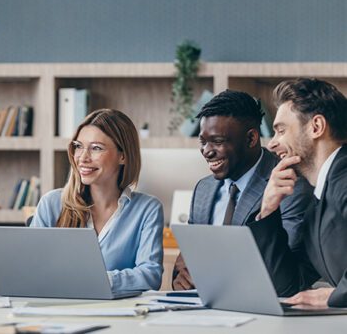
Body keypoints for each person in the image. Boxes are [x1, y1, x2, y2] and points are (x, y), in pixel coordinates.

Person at [172, 90, 310, 290]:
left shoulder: (288, 185)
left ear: (251, 138)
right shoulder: (204, 188)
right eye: (203, 142)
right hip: (205, 310)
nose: (207, 151)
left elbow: (286, 274)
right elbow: (186, 262)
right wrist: (180, 280)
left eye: (218, 141)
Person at [31, 109, 163, 293]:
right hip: (60, 312)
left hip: (120, 316)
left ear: (122, 156)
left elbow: (150, 276)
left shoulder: (147, 209)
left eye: (96, 148)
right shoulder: (52, 204)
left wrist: (92, 279)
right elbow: (31, 270)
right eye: (78, 146)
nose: (83, 158)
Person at [249, 78, 347, 308]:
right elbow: (288, 287)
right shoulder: (317, 204)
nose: (272, 144)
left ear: (316, 127)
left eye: (281, 130)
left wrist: (336, 296)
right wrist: (268, 211)